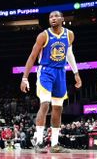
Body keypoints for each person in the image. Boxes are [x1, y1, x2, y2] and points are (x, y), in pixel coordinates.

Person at [20, 11, 81, 153]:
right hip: (46, 72)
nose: (53, 19)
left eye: (56, 16)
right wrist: (24, 77)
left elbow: (69, 54)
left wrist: (76, 73)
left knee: (58, 108)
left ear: (62, 18)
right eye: (50, 17)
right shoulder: (43, 35)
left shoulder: (69, 34)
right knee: (45, 103)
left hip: (61, 72)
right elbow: (32, 56)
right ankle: (39, 142)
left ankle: (55, 144)